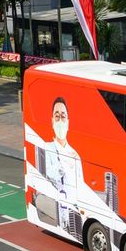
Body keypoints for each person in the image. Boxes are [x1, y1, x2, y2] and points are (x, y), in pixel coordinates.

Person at [44, 97, 83, 228]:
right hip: (56, 208)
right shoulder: (47, 148)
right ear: (52, 121)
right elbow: (48, 173)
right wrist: (63, 165)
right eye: (57, 116)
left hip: (73, 211)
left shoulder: (75, 154)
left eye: (63, 116)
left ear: (68, 122)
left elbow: (80, 187)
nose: (60, 120)